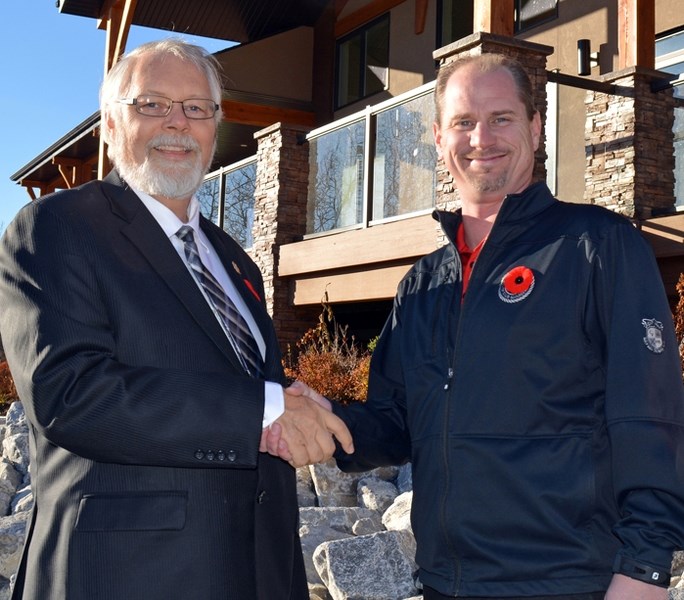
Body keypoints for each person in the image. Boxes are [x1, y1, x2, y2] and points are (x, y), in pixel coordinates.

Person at [268, 53, 684, 599]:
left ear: (535, 129)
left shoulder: (597, 246)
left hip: (569, 584)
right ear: (440, 139)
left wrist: (646, 570)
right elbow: (396, 422)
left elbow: (650, 416)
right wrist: (322, 426)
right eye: (464, 122)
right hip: (446, 584)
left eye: (502, 118)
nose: (481, 138)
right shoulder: (424, 284)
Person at [0, 38, 352, 600]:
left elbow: (230, 387)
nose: (178, 123)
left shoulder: (234, 259)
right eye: (152, 104)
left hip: (253, 568)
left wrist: (295, 407)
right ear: (110, 126)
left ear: (215, 126)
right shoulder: (58, 228)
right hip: (125, 574)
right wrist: (265, 407)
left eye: (196, 108)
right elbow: (71, 395)